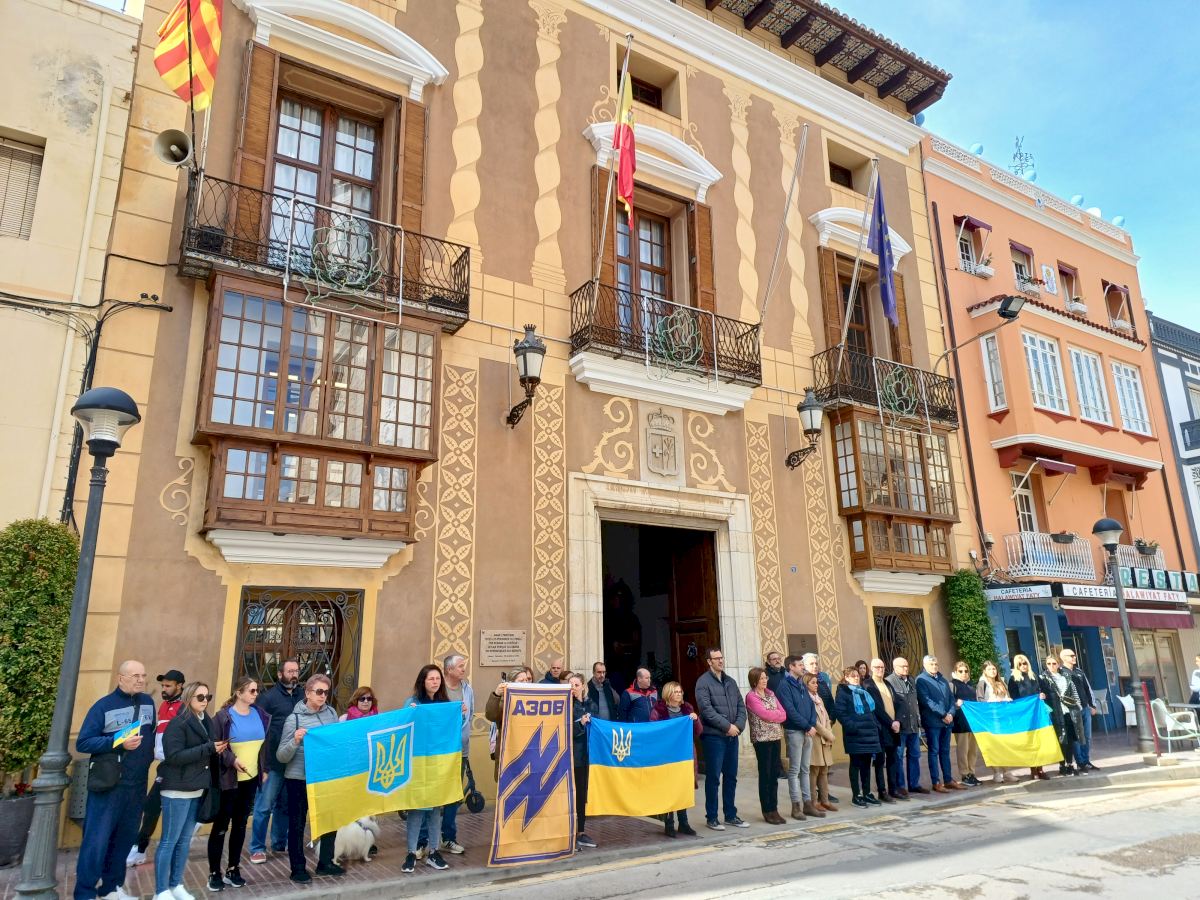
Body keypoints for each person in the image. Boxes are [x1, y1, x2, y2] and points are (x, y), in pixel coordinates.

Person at [75, 660, 156, 900]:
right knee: (96, 841)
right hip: (109, 786)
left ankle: (111, 888)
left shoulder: (148, 703)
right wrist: (116, 741)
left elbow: (150, 735)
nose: (141, 680)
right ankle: (84, 893)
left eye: (143, 676)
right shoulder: (103, 706)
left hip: (136, 785)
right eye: (135, 676)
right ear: (121, 678)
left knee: (124, 839)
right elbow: (84, 742)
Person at [153, 681, 221, 900]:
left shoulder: (205, 721)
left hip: (196, 787)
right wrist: (208, 748)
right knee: (169, 841)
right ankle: (161, 890)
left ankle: (176, 884)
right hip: (177, 789)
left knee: (184, 841)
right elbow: (173, 756)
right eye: (200, 697)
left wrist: (215, 749)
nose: (205, 701)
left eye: (207, 697)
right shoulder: (178, 723)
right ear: (188, 698)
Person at [276, 673, 344, 883]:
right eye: (319, 691)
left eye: (326, 692)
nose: (323, 696)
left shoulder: (331, 713)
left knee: (330, 820)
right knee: (297, 824)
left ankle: (326, 862)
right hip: (299, 779)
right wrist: (295, 741)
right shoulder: (294, 719)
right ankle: (297, 868)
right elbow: (281, 756)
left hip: (325, 777)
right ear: (307, 693)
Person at [208, 677, 269, 891]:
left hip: (250, 779)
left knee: (241, 825)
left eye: (256, 690)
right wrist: (232, 760)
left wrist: (264, 769)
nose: (255, 694)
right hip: (229, 780)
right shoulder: (223, 717)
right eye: (251, 690)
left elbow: (264, 745)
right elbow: (217, 746)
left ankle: (233, 869)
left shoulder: (260, 714)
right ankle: (214, 872)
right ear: (238, 692)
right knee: (221, 826)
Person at [128, 668, 185, 867]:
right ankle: (140, 848)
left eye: (168, 686)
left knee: (157, 806)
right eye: (163, 685)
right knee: (152, 806)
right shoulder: (162, 706)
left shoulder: (184, 708)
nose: (164, 689)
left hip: (176, 766)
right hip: (163, 765)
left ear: (179, 686)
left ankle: (140, 848)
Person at [248, 658, 301, 865]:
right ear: (280, 674)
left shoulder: (302, 697)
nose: (294, 675)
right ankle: (257, 847)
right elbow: (258, 730)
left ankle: (279, 843)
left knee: (285, 806)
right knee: (264, 807)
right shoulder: (267, 698)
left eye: (296, 671)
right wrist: (262, 764)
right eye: (290, 671)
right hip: (271, 764)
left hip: (293, 763)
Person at [402, 664, 452, 873]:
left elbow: (452, 729)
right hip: (417, 764)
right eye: (431, 678)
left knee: (434, 810)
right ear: (422, 681)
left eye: (438, 678)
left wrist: (460, 714)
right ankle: (411, 852)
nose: (435, 682)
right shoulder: (413, 702)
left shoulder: (445, 705)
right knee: (416, 809)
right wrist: (410, 714)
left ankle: (433, 851)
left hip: (437, 764)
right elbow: (404, 727)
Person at [694, 647, 748, 831]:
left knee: (731, 777)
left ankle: (730, 815)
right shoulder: (703, 682)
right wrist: (727, 726)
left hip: (732, 736)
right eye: (716, 658)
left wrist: (737, 727)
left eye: (721, 657)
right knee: (714, 778)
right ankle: (712, 817)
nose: (720, 661)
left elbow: (741, 706)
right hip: (714, 737)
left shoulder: (730, 681)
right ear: (709, 662)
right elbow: (706, 710)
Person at [431, 654, 473, 856]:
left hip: (460, 750)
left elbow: (469, 715)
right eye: (460, 666)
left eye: (463, 666)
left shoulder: (467, 689)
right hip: (439, 751)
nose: (463, 669)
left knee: (454, 795)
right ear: (449, 670)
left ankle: (448, 837)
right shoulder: (438, 689)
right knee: (433, 794)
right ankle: (426, 839)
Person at [649, 681, 700, 837]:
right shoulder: (658, 710)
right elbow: (653, 730)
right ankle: (669, 824)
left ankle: (683, 823)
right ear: (668, 694)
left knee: (682, 788)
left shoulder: (688, 709)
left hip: (684, 755)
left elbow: (698, 731)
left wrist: (695, 719)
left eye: (680, 692)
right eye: (676, 692)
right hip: (667, 755)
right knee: (669, 788)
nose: (679, 694)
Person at [777, 654, 819, 820]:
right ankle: (796, 807)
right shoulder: (784, 685)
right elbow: (789, 710)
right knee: (794, 770)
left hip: (807, 730)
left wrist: (811, 724)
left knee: (805, 769)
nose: (803, 667)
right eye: (800, 665)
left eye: (803, 664)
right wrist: (807, 726)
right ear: (791, 667)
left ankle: (808, 804)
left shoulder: (801, 683)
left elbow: (810, 706)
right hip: (794, 731)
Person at [833, 667, 882, 807]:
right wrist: (853, 727)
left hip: (869, 734)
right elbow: (840, 712)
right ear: (846, 678)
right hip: (855, 735)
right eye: (852, 676)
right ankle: (856, 795)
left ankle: (867, 793)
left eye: (857, 676)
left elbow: (871, 711)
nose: (856, 678)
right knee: (855, 764)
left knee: (866, 765)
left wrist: (875, 725)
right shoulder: (843, 692)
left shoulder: (863, 691)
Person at [744, 667, 787, 824]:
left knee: (774, 774)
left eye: (765, 678)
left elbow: (783, 714)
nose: (765, 680)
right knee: (766, 774)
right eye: (761, 678)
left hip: (775, 737)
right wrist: (775, 715)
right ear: (755, 681)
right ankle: (767, 810)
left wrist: (774, 716)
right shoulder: (751, 697)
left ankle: (774, 809)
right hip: (762, 740)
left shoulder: (771, 694)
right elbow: (764, 714)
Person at [916, 655, 964, 793]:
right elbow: (927, 701)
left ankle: (948, 780)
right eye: (931, 664)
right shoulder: (921, 680)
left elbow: (951, 699)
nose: (934, 666)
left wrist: (951, 714)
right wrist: (943, 715)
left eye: (936, 664)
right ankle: (936, 782)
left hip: (947, 722)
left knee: (945, 751)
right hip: (933, 722)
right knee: (934, 751)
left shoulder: (943, 679)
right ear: (925, 665)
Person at [485, 666, 534, 780]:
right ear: (511, 683)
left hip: (529, 754)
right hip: (509, 754)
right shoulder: (504, 699)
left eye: (527, 680)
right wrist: (496, 695)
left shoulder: (535, 699)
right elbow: (491, 715)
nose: (525, 683)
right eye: (521, 680)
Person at [567, 673, 598, 848]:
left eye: (576, 685)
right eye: (570, 684)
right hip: (573, 757)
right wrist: (580, 724)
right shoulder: (566, 705)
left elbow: (599, 725)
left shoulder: (591, 704)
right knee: (571, 794)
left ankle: (581, 831)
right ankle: (570, 831)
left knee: (582, 794)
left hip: (588, 757)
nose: (572, 688)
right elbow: (565, 730)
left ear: (583, 686)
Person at [1007, 654, 1049, 781]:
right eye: (1020, 664)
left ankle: (1040, 769)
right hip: (1024, 714)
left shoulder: (1034, 676)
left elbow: (1045, 689)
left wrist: (1043, 695)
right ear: (1016, 666)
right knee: (1029, 742)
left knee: (1039, 741)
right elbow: (1014, 698)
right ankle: (1033, 769)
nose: (1023, 666)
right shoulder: (1013, 679)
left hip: (1037, 713)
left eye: (1024, 663)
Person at [1040, 654, 1083, 777]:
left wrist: (1078, 707)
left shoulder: (1065, 676)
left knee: (1070, 739)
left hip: (1069, 711)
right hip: (1055, 712)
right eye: (1048, 664)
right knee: (1061, 739)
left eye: (1054, 663)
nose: (1051, 666)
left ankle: (1070, 764)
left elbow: (1073, 692)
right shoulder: (1043, 678)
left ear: (1058, 664)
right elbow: (1040, 693)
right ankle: (1062, 765)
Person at [886, 657, 923, 796]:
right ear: (895, 667)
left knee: (914, 755)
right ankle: (900, 786)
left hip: (913, 725)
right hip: (900, 726)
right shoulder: (889, 681)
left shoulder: (911, 680)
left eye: (907, 666)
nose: (906, 668)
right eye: (903, 666)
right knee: (898, 756)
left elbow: (915, 702)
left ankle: (914, 784)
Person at [864, 658, 899, 803]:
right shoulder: (868, 685)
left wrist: (897, 721)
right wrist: (891, 722)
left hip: (893, 727)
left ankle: (893, 789)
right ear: (871, 668)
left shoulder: (888, 683)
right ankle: (882, 791)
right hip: (880, 728)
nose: (880, 670)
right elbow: (876, 708)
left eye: (882, 667)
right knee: (879, 761)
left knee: (893, 759)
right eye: (877, 667)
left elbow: (897, 703)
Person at [976, 661, 1017, 784]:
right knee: (993, 746)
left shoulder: (1001, 682)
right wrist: (993, 702)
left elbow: (1007, 696)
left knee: (1004, 745)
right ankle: (996, 773)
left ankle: (1007, 772)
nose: (992, 671)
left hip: (1003, 718)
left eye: (994, 669)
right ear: (984, 671)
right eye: (989, 669)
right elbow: (980, 701)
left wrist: (1008, 700)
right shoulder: (982, 684)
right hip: (991, 719)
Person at [1059, 648, 1098, 772]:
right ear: (1064, 658)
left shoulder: (1079, 671)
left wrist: (1092, 705)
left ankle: (1086, 760)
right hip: (1072, 710)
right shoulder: (1060, 672)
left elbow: (1088, 689)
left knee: (1087, 736)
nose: (1074, 657)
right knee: (1076, 737)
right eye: (1071, 656)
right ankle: (1080, 762)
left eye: (1074, 655)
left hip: (1085, 708)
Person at [804, 673, 838, 812]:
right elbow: (814, 721)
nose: (816, 685)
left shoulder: (819, 699)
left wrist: (829, 733)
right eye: (813, 683)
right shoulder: (806, 699)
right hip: (815, 738)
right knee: (814, 771)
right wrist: (827, 734)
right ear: (806, 684)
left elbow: (826, 717)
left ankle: (825, 801)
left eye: (816, 682)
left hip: (825, 738)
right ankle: (813, 801)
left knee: (824, 770)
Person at [950, 661, 980, 787]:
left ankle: (972, 773)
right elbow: (949, 701)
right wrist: (956, 703)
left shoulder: (972, 686)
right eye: (960, 671)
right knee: (963, 750)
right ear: (955, 672)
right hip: (961, 722)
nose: (963, 673)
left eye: (966, 671)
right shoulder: (952, 685)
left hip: (973, 723)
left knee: (973, 750)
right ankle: (964, 774)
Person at [764, 650, 788, 779]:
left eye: (779, 658)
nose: (777, 660)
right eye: (774, 659)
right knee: (775, 743)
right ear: (768, 662)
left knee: (791, 741)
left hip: (788, 712)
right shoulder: (765, 675)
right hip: (774, 713)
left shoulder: (786, 673)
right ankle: (778, 770)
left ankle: (794, 768)